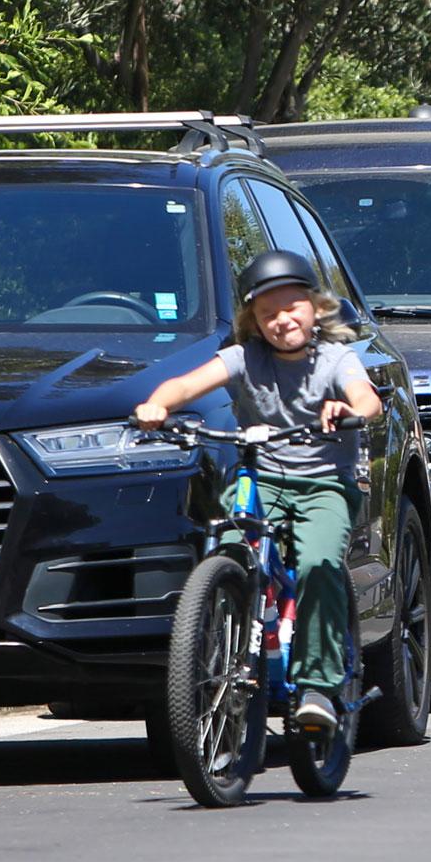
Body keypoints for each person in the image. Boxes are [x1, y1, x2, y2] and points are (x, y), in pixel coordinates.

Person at [135, 250, 382, 728]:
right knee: (226, 552)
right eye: (268, 314)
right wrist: (156, 404)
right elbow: (186, 385)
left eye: (292, 308)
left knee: (318, 564)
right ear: (254, 321)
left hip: (323, 486)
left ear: (315, 308)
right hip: (262, 480)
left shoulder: (336, 359)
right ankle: (223, 651)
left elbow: (366, 398)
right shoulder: (244, 357)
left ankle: (318, 686)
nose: (281, 321)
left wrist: (346, 409)